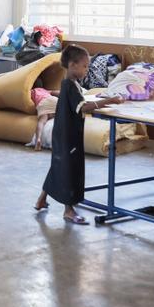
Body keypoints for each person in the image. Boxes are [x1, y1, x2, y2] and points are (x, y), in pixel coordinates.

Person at [35, 44, 125, 224]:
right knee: (70, 170)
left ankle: (41, 199)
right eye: (84, 66)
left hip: (62, 133)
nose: (87, 69)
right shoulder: (70, 85)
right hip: (69, 136)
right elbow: (83, 107)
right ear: (72, 65)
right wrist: (110, 100)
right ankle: (68, 210)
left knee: (58, 166)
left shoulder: (69, 84)